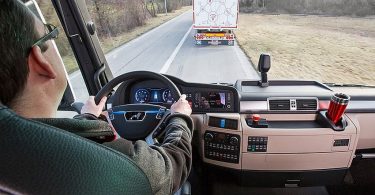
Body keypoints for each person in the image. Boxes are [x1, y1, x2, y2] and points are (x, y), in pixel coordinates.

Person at [0, 0, 193, 194]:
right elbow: (170, 168)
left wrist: (88, 119)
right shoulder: (112, 162)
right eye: (50, 34)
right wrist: (179, 117)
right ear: (40, 61)